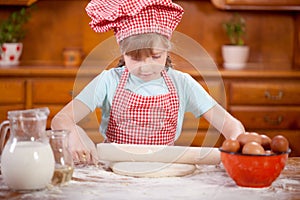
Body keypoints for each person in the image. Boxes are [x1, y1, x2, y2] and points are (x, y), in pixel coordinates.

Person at [51, 0, 245, 165]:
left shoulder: (182, 83)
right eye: (135, 58)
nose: (145, 66)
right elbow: (60, 120)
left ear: (167, 50)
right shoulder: (108, 80)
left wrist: (237, 144)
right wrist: (74, 133)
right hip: (114, 170)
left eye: (155, 56)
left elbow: (230, 125)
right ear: (122, 53)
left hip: (164, 169)